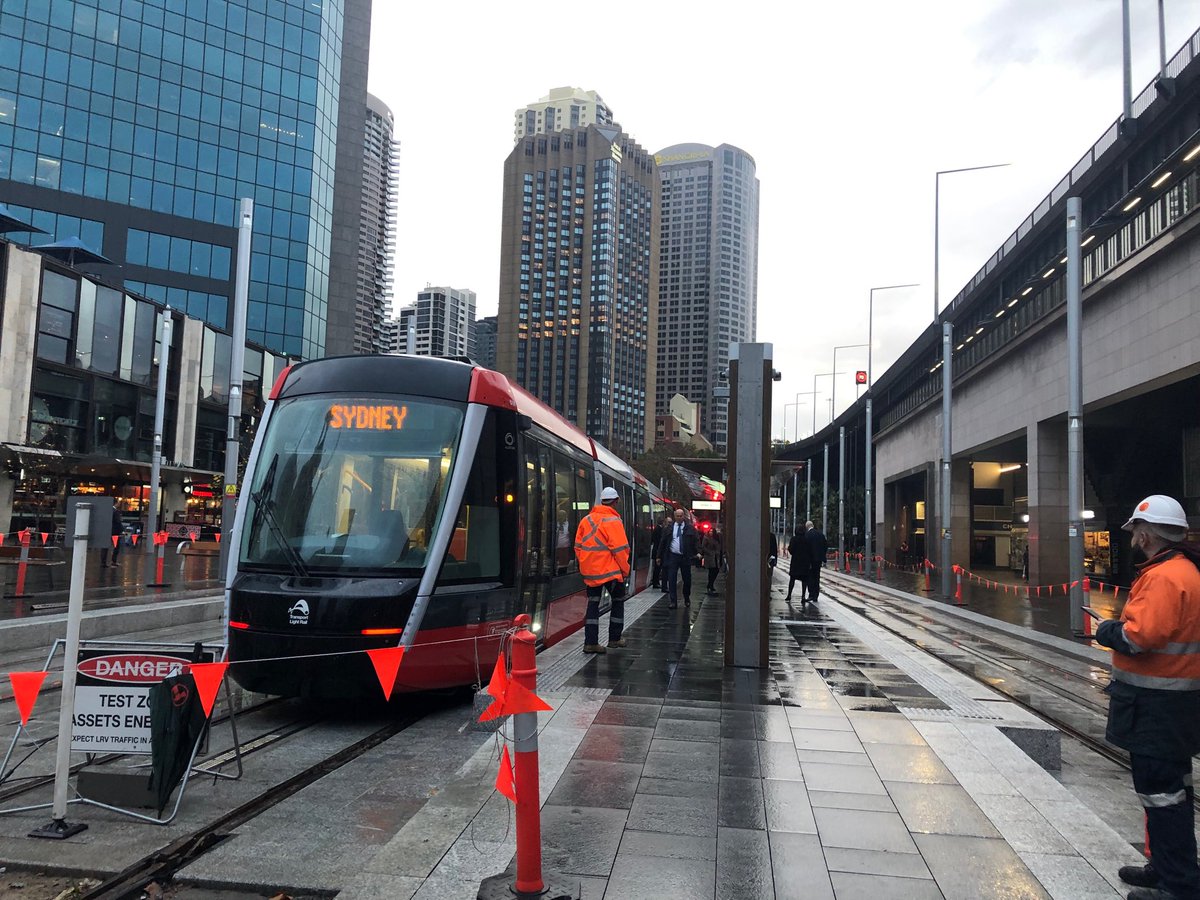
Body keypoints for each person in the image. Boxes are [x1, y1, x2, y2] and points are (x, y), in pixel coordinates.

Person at [1095, 495, 1200, 900]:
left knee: (1161, 793)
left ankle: (1178, 886)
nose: (1134, 537)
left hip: (1157, 704)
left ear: (1147, 532)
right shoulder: (1183, 570)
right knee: (1173, 791)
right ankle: (1170, 870)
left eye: (1136, 530)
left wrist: (1108, 631)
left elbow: (1140, 637)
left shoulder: (1165, 576)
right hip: (1175, 703)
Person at [574, 486, 631, 654]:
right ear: (616, 502)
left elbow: (578, 547)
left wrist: (586, 564)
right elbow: (620, 549)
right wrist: (625, 570)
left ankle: (590, 643)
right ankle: (614, 639)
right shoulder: (613, 521)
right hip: (610, 572)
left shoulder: (586, 520)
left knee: (592, 604)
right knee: (618, 600)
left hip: (591, 572)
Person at [657, 507, 699, 610]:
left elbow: (696, 541)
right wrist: (658, 556)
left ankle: (686, 597)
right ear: (674, 517)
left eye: (681, 516)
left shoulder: (690, 528)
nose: (679, 518)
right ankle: (673, 601)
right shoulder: (669, 528)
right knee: (671, 579)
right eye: (677, 516)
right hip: (673, 556)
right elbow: (662, 542)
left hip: (685, 556)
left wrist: (698, 552)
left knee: (687, 579)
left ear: (683, 516)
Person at [803, 521, 828, 603]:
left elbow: (806, 549)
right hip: (818, 560)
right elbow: (825, 546)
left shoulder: (807, 535)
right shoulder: (820, 534)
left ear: (807, 527)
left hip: (810, 560)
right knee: (817, 577)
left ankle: (811, 594)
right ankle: (816, 596)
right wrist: (822, 556)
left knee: (810, 577)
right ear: (813, 525)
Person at [786, 527, 813, 603]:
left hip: (795, 562)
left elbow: (791, 550)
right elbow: (810, 551)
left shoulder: (793, 539)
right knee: (804, 581)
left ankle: (789, 595)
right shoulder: (807, 540)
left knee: (792, 579)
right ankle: (803, 596)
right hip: (805, 563)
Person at [700, 528, 723, 595]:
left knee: (716, 570)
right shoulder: (706, 538)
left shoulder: (717, 538)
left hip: (716, 557)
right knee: (711, 571)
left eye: (712, 531)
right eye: (710, 531)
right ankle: (710, 585)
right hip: (710, 557)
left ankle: (711, 584)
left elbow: (719, 546)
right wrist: (710, 552)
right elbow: (703, 547)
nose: (711, 533)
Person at [650, 515, 669, 589]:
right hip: (657, 552)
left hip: (657, 551)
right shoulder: (659, 529)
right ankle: (655, 583)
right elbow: (659, 541)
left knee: (657, 568)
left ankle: (656, 582)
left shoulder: (657, 528)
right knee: (657, 568)